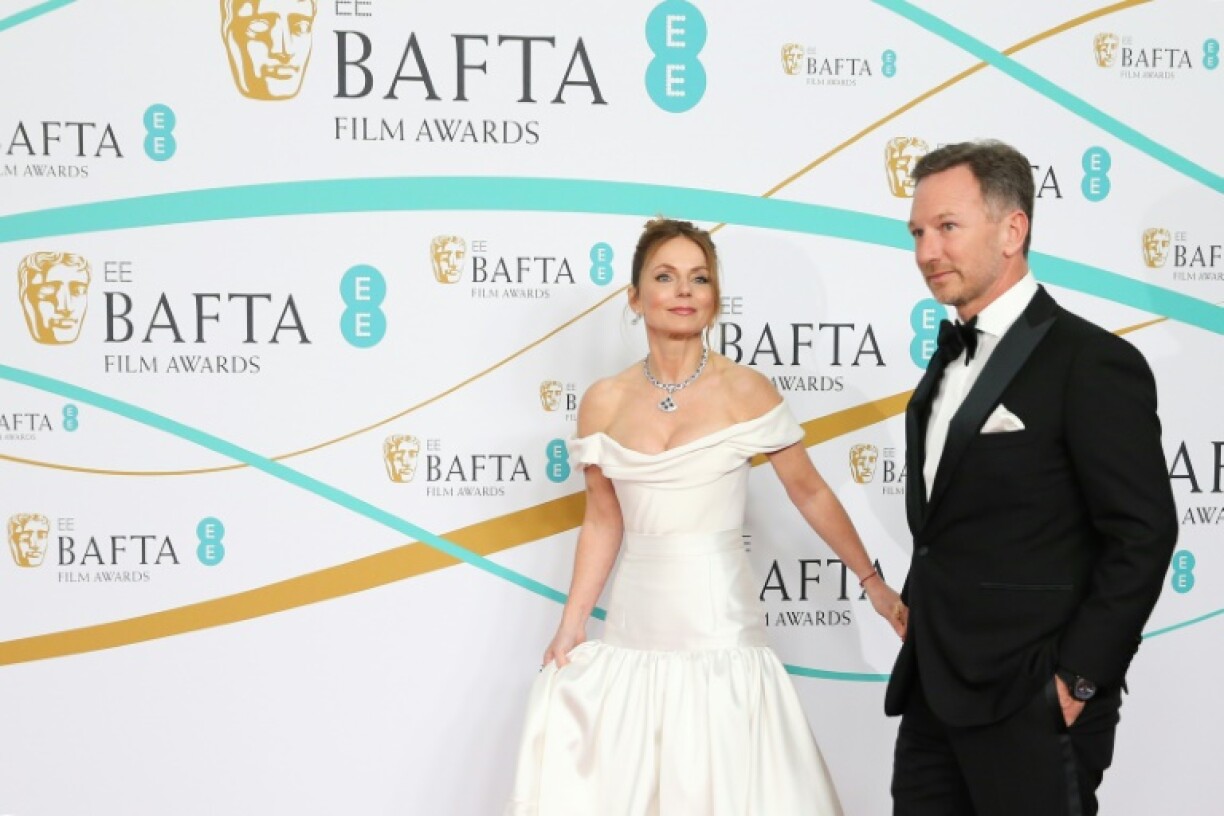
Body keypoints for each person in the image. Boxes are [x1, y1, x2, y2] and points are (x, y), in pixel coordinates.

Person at [507, 218, 905, 815]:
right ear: (636, 297)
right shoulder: (603, 401)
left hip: (721, 627)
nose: (684, 290)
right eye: (665, 277)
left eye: (699, 278)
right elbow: (603, 520)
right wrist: (572, 624)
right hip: (636, 625)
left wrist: (872, 584)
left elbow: (811, 493)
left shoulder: (746, 391)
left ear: (716, 298)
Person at [887, 140, 1178, 815]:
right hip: (935, 693)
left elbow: (1143, 533)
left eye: (948, 227)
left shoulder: (1091, 362)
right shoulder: (945, 364)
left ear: (1013, 229)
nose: (928, 250)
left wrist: (1075, 681)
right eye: (918, 232)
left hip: (1030, 698)